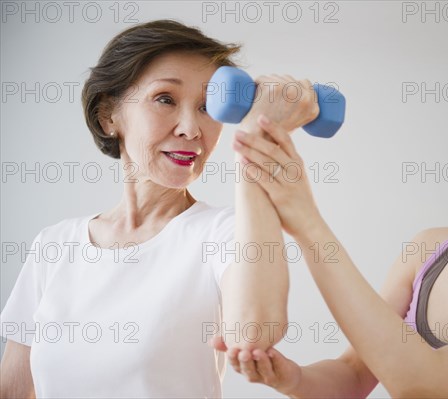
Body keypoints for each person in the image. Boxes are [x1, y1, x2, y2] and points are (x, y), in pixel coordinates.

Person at [216, 65, 448, 398]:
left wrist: (307, 221)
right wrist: (291, 378)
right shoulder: (430, 248)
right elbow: (352, 377)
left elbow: (421, 384)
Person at [0, 19, 319, 398]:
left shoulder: (226, 232)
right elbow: (14, 390)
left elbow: (254, 332)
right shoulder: (53, 245)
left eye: (206, 107)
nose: (191, 128)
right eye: (165, 99)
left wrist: (254, 144)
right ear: (108, 115)